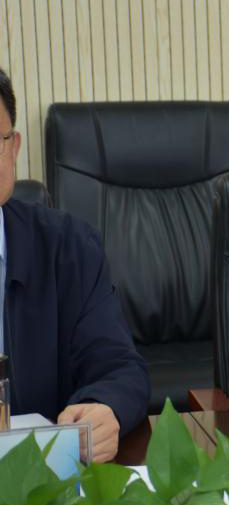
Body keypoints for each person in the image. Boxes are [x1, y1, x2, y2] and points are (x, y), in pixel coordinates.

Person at [0, 68, 149, 462]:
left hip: (46, 484)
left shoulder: (67, 247)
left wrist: (104, 406)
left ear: (13, 148)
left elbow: (119, 367)